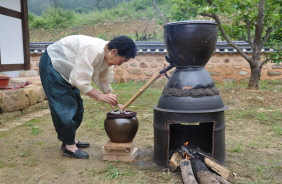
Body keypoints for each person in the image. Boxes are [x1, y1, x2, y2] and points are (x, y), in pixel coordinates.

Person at [39, 35, 137, 159]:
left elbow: (103, 77)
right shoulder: (92, 50)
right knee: (65, 107)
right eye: (122, 61)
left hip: (71, 72)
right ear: (114, 52)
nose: (119, 64)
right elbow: (79, 79)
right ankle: (69, 146)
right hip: (53, 65)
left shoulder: (106, 55)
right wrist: (99, 96)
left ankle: (69, 139)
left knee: (78, 108)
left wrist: (109, 95)